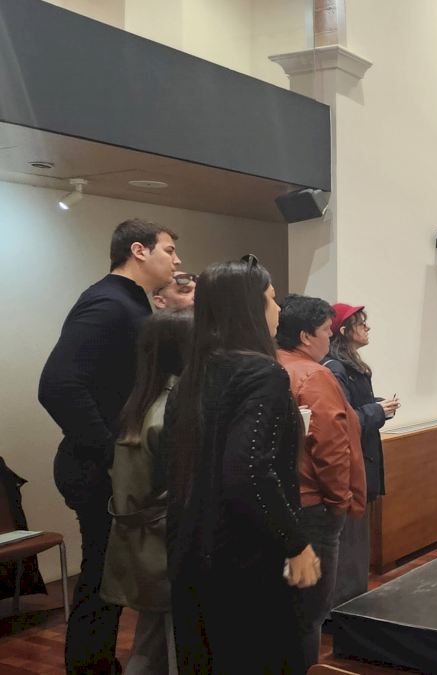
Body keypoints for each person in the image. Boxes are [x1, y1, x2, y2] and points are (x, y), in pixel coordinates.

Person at [164, 257, 320, 673]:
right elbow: (247, 471)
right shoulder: (262, 373)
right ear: (249, 308)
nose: (279, 309)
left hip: (193, 553)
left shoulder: (191, 378)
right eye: (271, 299)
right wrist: (295, 542)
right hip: (246, 559)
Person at [38, 218, 180, 673]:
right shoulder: (109, 303)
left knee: (109, 577)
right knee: (101, 578)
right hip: (96, 467)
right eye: (169, 250)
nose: (176, 260)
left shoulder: (130, 303)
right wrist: (113, 454)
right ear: (138, 250)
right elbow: (58, 386)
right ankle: (89, 666)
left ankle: (97, 663)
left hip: (109, 466)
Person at [276, 294, 366, 669]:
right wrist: (340, 500)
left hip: (278, 502)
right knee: (309, 612)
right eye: (327, 331)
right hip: (313, 506)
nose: (331, 337)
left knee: (282, 607)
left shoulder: (270, 366)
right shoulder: (314, 376)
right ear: (305, 336)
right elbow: (330, 446)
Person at [100, 308, 192, 675]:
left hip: (143, 541)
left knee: (150, 643)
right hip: (161, 544)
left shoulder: (141, 403)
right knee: (170, 648)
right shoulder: (170, 410)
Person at [323, 304, 399, 608]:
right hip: (350, 464)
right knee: (348, 542)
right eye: (360, 323)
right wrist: (376, 410)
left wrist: (378, 407)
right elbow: (343, 420)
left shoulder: (349, 366)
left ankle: (351, 604)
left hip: (361, 459)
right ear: (343, 331)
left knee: (355, 541)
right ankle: (345, 608)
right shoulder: (336, 369)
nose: (367, 328)